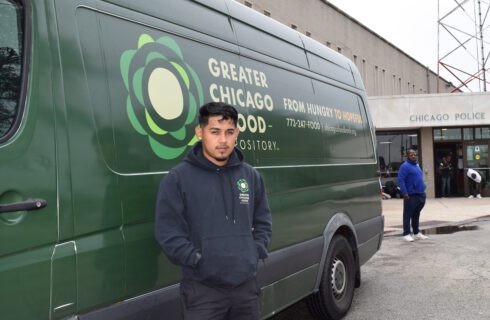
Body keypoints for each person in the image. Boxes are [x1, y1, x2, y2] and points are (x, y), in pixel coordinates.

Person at [155, 102, 272, 320]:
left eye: (229, 132)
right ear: (200, 132)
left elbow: (263, 221)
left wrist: (253, 252)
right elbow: (168, 233)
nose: (223, 140)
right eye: (215, 132)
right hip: (202, 292)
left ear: (237, 133)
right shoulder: (178, 179)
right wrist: (198, 260)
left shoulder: (251, 176)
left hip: (246, 289)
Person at [397, 149, 429, 242]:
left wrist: (423, 186)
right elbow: (401, 180)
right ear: (407, 156)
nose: (414, 156)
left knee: (416, 214)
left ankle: (416, 233)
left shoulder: (417, 165)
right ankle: (406, 233)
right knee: (407, 214)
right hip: (411, 195)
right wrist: (405, 192)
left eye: (415, 154)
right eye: (411, 155)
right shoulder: (404, 166)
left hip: (420, 194)